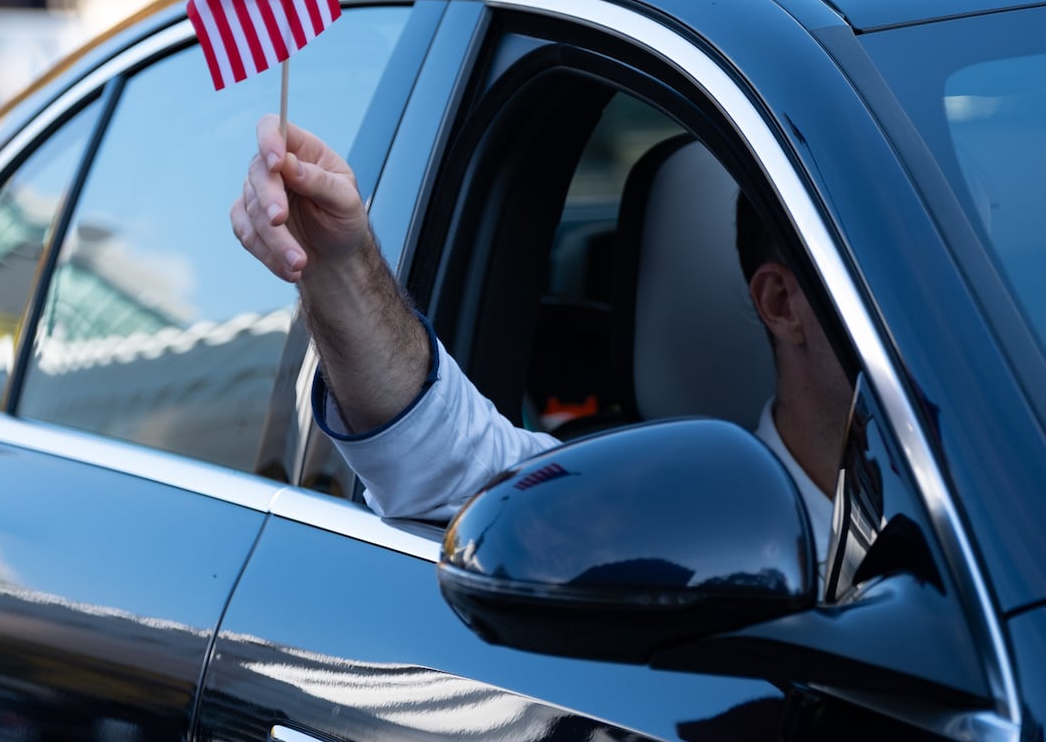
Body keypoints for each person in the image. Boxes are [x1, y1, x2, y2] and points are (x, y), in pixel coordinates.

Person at [231, 114, 852, 556]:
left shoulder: (946, 496)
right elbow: (456, 472)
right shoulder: (670, 523)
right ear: (781, 303)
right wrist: (341, 267)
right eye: (902, 274)